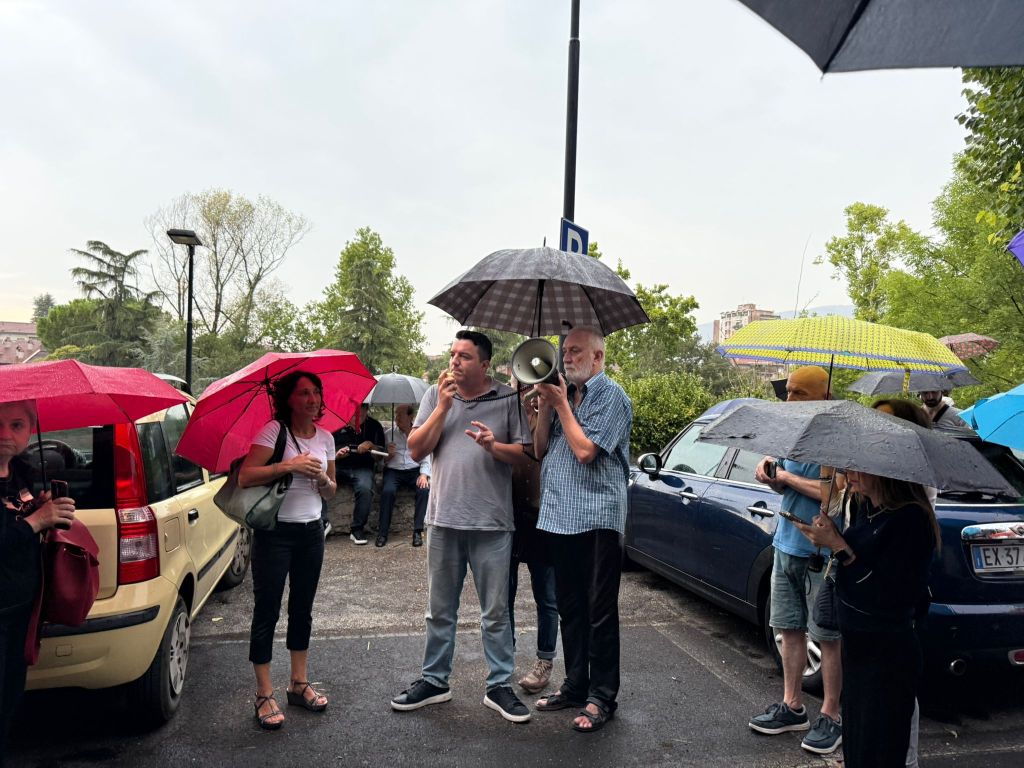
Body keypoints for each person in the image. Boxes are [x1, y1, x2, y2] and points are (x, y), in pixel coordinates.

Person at [390, 330, 533, 724]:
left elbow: (524, 456)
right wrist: (442, 408)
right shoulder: (436, 396)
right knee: (439, 610)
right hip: (443, 519)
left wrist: (493, 446)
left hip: (492, 523)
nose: (455, 361)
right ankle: (435, 681)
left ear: (484, 365)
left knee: (496, 611)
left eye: (465, 356)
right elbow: (416, 449)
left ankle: (499, 685)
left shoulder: (507, 397)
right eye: (453, 353)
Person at [794, 449, 940, 767]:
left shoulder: (911, 519)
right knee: (858, 747)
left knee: (882, 751)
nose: (851, 472)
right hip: (858, 648)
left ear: (887, 471)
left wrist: (839, 546)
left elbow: (888, 593)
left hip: (888, 653)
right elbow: (852, 563)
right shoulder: (864, 507)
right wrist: (827, 536)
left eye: (860, 467)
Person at [531, 327, 633, 733]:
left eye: (575, 352)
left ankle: (602, 695)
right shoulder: (564, 397)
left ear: (598, 358)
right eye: (564, 351)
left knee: (599, 611)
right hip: (559, 518)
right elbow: (540, 450)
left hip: (596, 519)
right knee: (569, 607)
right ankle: (575, 685)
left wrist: (561, 408)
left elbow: (586, 451)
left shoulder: (612, 397)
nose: (566, 357)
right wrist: (541, 410)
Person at [748, 365, 844, 756]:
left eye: (798, 393)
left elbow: (832, 494)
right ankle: (792, 706)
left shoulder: (835, 438)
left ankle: (832, 715)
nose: (789, 399)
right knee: (788, 629)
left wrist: (785, 477)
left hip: (818, 552)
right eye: (787, 391)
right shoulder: (795, 433)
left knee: (827, 637)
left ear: (822, 395)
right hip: (786, 543)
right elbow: (784, 476)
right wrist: (769, 473)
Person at [238, 372, 337, 730]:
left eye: (316, 392)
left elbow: (331, 492)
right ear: (289, 399)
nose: (312, 399)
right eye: (304, 393)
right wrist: (290, 465)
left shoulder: (326, 438)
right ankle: (264, 693)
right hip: (274, 533)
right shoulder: (273, 431)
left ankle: (299, 683)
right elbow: (246, 476)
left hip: (311, 533)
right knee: (267, 609)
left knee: (302, 609)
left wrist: (322, 479)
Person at [0, 401, 75, 763]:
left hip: (23, 609)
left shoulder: (21, 473)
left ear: (30, 431)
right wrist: (35, 522)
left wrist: (45, 510)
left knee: (9, 701)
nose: (5, 435)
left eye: (16, 425)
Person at [507, 379, 558, 696]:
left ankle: (545, 661)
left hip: (543, 517)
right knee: (504, 595)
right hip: (510, 514)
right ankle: (504, 657)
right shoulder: (507, 416)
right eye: (520, 382)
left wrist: (542, 415)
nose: (526, 388)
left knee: (547, 596)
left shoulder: (554, 416)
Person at [330, 403, 386, 544]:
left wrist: (371, 446)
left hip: (362, 468)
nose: (356, 416)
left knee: (365, 488)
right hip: (339, 466)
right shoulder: (337, 425)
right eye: (353, 414)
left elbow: (381, 455)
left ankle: (357, 529)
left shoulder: (374, 426)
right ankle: (323, 522)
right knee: (318, 480)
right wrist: (337, 455)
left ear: (366, 410)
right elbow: (326, 451)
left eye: (360, 412)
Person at [378, 404, 431, 547]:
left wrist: (424, 475)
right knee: (388, 491)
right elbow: (380, 462)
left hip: (414, 469)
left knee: (424, 490)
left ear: (410, 417)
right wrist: (388, 456)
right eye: (396, 414)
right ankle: (382, 533)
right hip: (393, 471)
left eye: (400, 415)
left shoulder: (420, 433)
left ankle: (417, 532)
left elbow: (426, 457)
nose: (397, 418)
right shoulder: (389, 434)